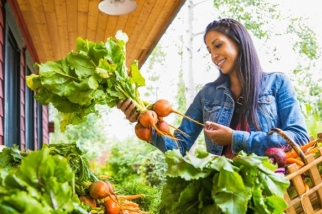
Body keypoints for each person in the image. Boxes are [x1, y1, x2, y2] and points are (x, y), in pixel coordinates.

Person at [117, 18, 309, 158]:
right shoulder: (206, 95)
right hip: (224, 193)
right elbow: (180, 145)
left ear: (240, 43)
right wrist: (148, 129)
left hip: (273, 190)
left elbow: (299, 138)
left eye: (218, 46)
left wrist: (236, 138)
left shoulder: (277, 83)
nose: (214, 55)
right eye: (210, 50)